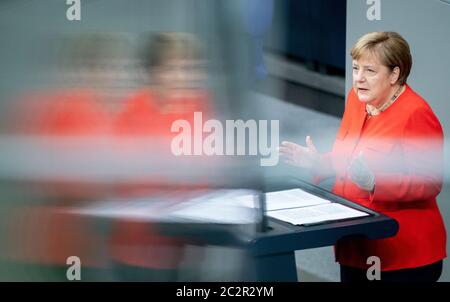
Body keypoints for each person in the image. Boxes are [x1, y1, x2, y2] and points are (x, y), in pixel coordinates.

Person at [279, 31, 446, 282]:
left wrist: (376, 183)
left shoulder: (416, 114)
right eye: (356, 68)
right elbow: (347, 157)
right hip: (355, 246)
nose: (358, 79)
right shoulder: (357, 101)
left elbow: (430, 183)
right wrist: (319, 162)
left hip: (401, 257)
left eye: (369, 71)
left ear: (394, 74)